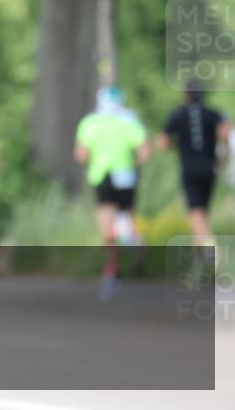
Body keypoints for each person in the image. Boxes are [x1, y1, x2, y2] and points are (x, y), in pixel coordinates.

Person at [74, 85, 150, 300]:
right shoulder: (130, 121)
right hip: (126, 175)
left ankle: (112, 270)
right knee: (126, 218)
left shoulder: (90, 123)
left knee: (107, 225)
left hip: (103, 176)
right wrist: (135, 166)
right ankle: (133, 243)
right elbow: (144, 151)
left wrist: (91, 162)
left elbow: (80, 154)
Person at [156, 82, 230, 260]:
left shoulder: (179, 113)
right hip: (209, 168)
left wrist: (179, 145)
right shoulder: (213, 113)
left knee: (195, 215)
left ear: (186, 94)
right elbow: (226, 134)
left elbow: (162, 142)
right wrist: (222, 157)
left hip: (190, 168)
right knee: (202, 214)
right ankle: (199, 267)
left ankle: (215, 253)